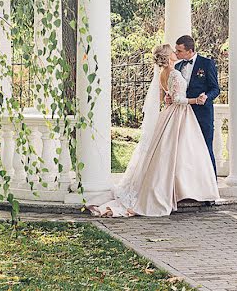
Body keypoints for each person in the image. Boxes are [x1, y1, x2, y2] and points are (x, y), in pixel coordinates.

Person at [89, 44, 219, 217]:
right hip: (179, 114)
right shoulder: (173, 72)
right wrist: (196, 100)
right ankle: (178, 191)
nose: (175, 52)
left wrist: (170, 97)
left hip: (173, 113)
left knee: (180, 153)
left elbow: (169, 96)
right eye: (173, 51)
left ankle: (185, 191)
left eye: (177, 50)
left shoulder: (164, 73)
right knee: (176, 153)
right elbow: (179, 98)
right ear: (168, 56)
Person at [170, 35, 220, 173]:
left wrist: (206, 96)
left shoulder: (207, 63)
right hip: (183, 114)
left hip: (202, 114)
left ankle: (211, 183)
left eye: (179, 51)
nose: (176, 53)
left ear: (190, 50)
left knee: (205, 147)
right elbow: (177, 90)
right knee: (185, 150)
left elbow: (215, 89)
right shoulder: (177, 66)